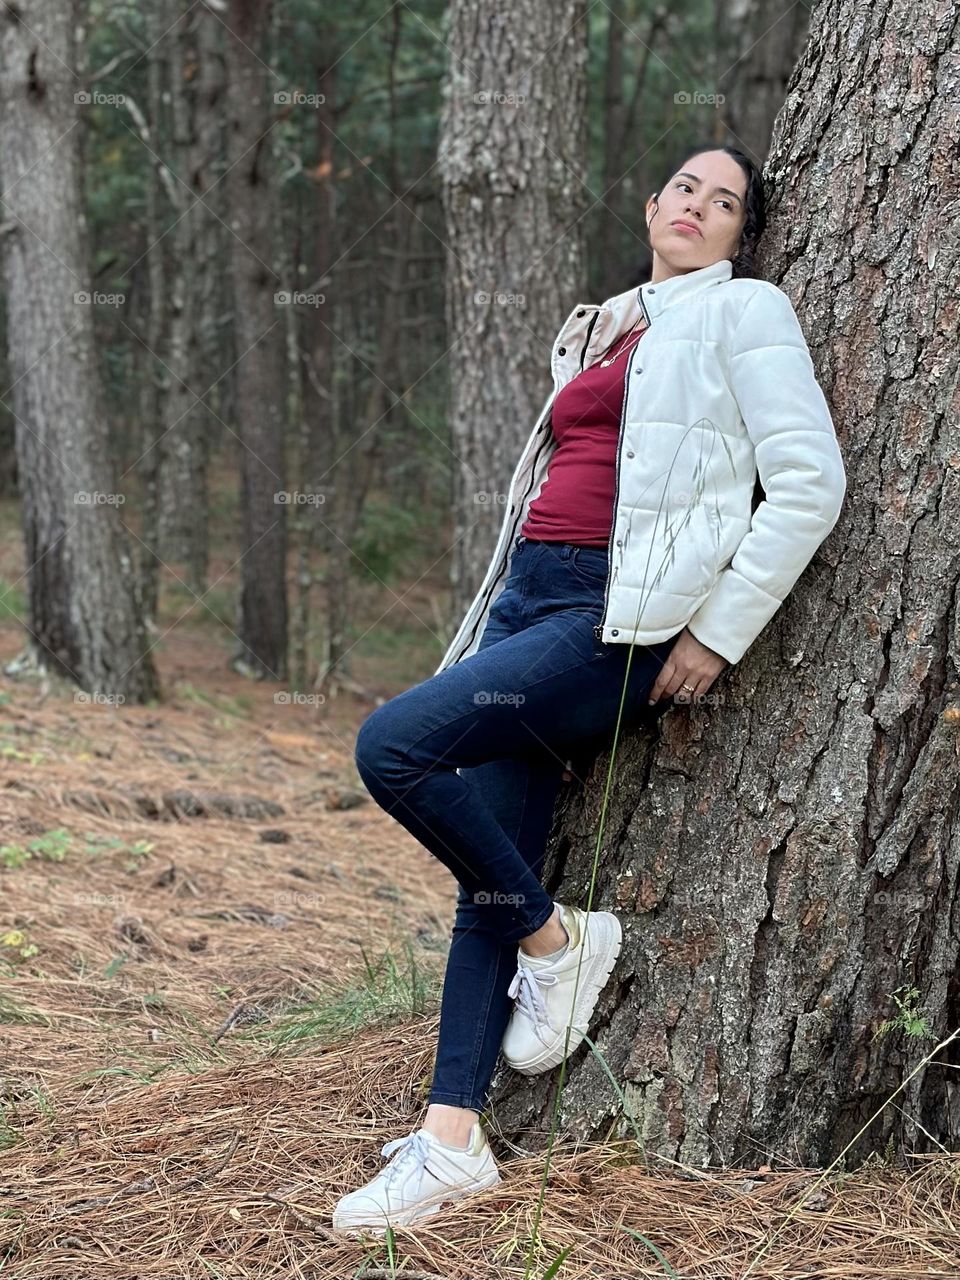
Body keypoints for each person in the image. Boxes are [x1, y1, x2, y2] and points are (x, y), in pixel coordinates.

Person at [332, 143, 846, 1236]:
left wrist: (717, 629)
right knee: (490, 867)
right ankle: (452, 1140)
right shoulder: (609, 322)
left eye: (726, 202)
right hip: (529, 595)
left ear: (741, 235)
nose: (699, 207)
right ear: (651, 202)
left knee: (392, 747)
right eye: (684, 189)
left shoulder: (745, 311)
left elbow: (810, 480)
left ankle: (563, 944)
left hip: (612, 614)